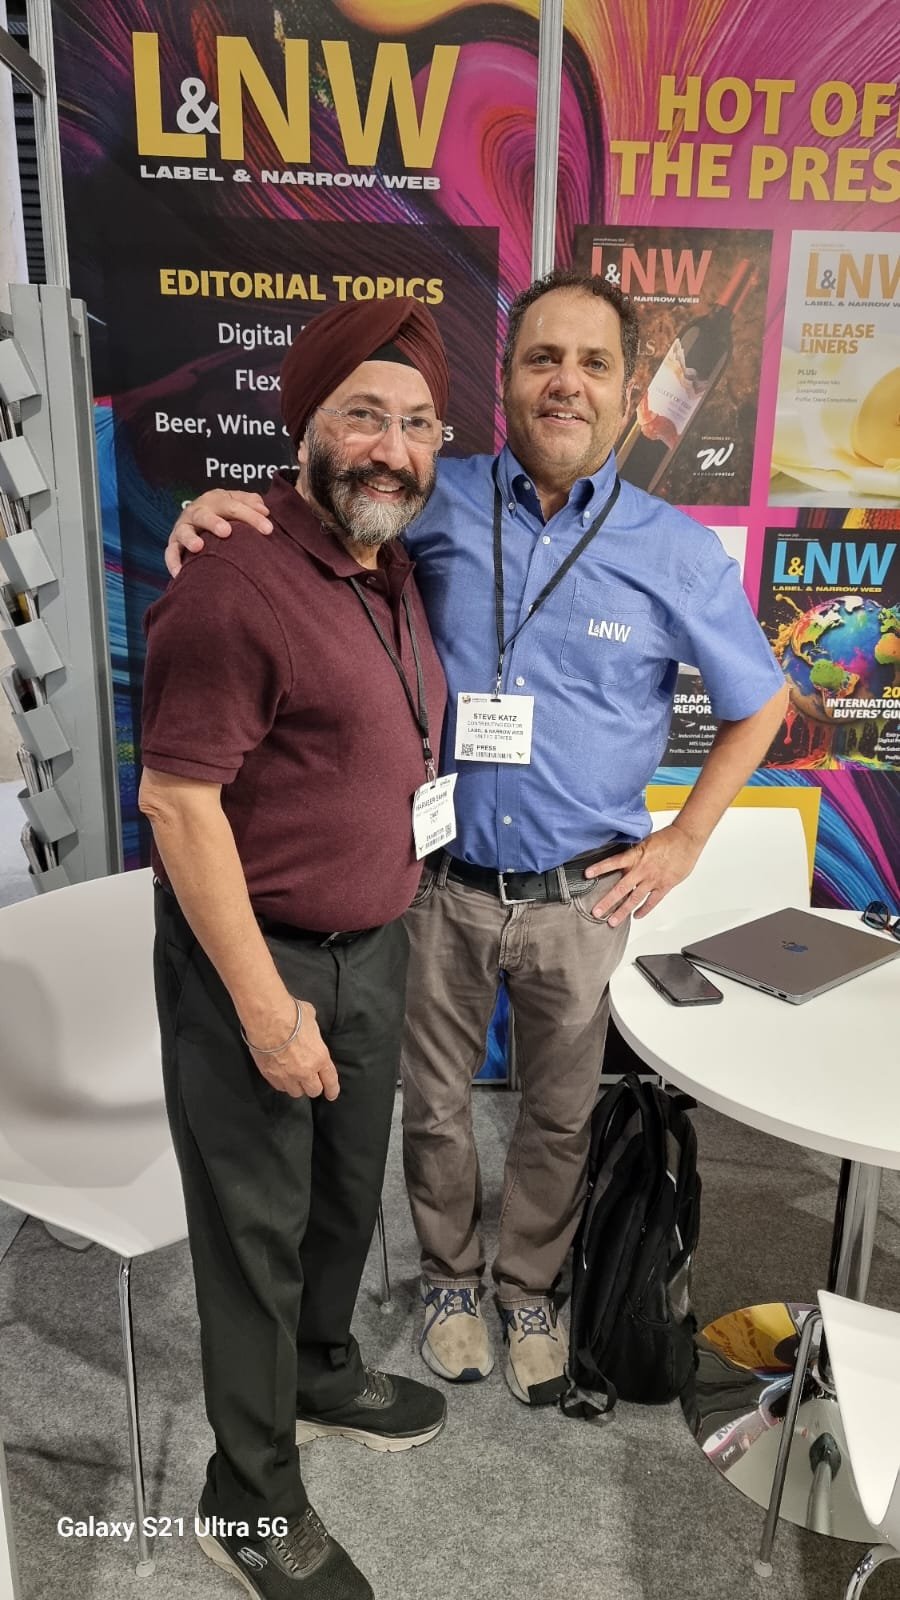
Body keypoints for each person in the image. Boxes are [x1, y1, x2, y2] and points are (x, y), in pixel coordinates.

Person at [165, 268, 788, 1412]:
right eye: (543, 358)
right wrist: (208, 509)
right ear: (505, 383)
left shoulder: (676, 551)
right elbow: (315, 518)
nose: (566, 382)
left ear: (630, 392)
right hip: (437, 884)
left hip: (581, 899)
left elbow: (762, 703)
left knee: (556, 1112)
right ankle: (450, 1278)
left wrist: (686, 840)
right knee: (436, 1105)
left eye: (594, 363)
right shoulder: (431, 496)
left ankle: (529, 1286)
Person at [140, 296, 452, 1600]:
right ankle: (250, 1495)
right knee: (254, 1234)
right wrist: (267, 1009)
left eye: (419, 423)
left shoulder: (388, 565)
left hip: (371, 944)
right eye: (364, 415)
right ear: (306, 425)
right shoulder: (236, 580)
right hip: (257, 961)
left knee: (342, 1197)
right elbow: (177, 804)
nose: (394, 447)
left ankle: (322, 1371)